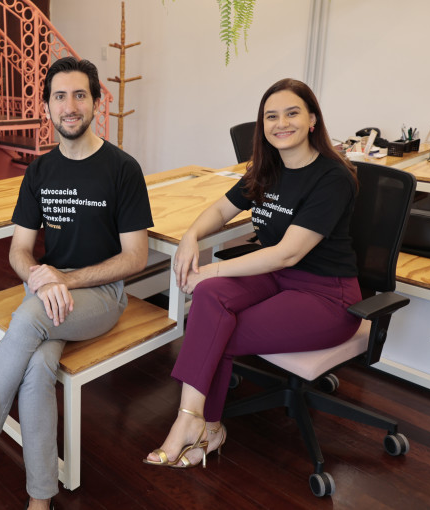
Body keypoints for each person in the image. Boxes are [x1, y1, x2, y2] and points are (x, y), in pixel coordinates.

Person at [0, 57, 154, 510]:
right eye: (60, 96)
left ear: (96, 101)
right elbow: (19, 250)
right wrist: (39, 276)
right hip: (48, 292)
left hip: (101, 295)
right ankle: (41, 499)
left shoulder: (122, 169)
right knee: (36, 371)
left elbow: (135, 257)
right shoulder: (40, 170)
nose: (70, 106)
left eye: (80, 95)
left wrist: (64, 279)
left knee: (31, 315)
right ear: (48, 107)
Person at [144, 78, 362, 469]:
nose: (281, 123)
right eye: (271, 116)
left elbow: (286, 255)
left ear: (312, 119)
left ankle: (200, 425)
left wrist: (212, 269)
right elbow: (220, 210)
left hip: (327, 295)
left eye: (292, 113)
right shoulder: (268, 168)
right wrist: (191, 235)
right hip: (278, 280)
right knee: (210, 301)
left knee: (216, 329)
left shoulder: (333, 178)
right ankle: (195, 422)